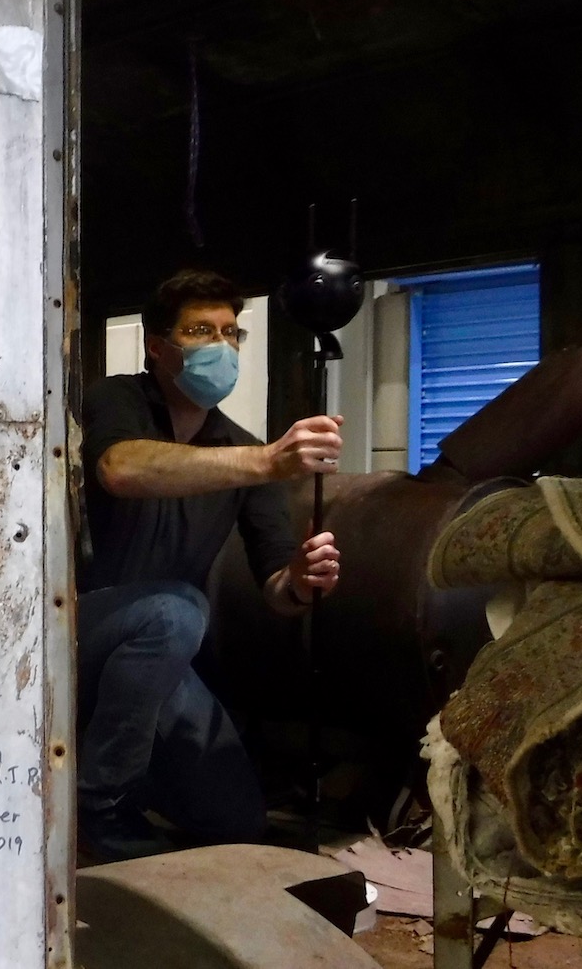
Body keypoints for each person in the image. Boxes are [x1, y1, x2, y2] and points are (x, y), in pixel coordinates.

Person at [77, 268, 343, 862]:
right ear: (157, 345)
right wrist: (268, 461)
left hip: (158, 656)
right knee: (177, 609)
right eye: (200, 330)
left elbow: (275, 585)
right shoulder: (116, 399)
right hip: (74, 636)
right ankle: (98, 801)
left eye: (231, 333)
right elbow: (120, 468)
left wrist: (300, 580)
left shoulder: (241, 450)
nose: (221, 346)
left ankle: (134, 771)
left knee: (237, 822)